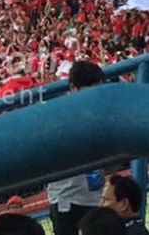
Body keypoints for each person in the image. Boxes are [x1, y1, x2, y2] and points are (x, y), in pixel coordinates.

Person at [48, 61, 105, 235]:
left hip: (94, 196)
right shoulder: (59, 116)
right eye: (91, 89)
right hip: (68, 200)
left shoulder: (98, 111)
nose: (96, 95)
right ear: (73, 88)